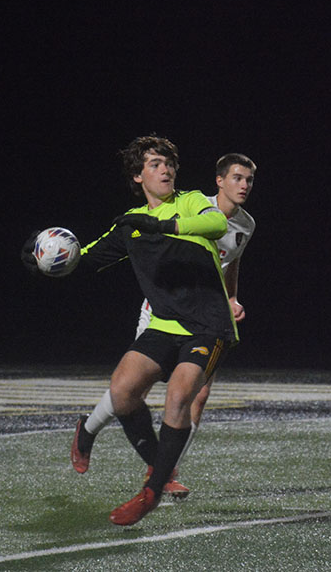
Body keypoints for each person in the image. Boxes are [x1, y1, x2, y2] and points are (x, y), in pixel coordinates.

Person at [22, 135, 238, 525]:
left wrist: (165, 223)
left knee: (179, 396)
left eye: (169, 163)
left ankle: (153, 489)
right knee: (122, 391)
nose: (166, 169)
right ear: (138, 176)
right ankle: (157, 470)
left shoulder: (189, 202)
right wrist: (42, 262)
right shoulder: (130, 225)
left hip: (208, 325)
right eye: (155, 164)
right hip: (163, 325)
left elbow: (216, 221)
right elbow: (83, 259)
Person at [70, 153, 257, 499]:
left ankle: (164, 471)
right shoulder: (195, 205)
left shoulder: (245, 225)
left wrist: (230, 299)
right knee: (131, 390)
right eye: (237, 178)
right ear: (219, 181)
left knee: (195, 395)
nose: (244, 185)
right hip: (162, 313)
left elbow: (230, 265)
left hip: (207, 316)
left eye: (249, 180)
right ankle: (89, 428)